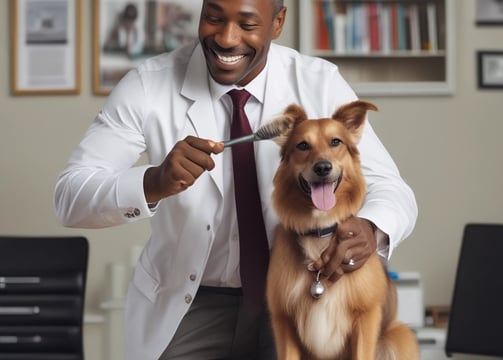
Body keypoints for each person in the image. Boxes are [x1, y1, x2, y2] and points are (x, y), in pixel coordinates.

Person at [54, 0, 417, 359]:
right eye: (213, 18)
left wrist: (371, 226)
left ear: (277, 23)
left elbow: (392, 189)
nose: (226, 39)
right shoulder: (148, 84)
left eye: (246, 24)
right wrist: (154, 182)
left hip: (297, 297)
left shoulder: (317, 81)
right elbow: (70, 197)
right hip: (191, 303)